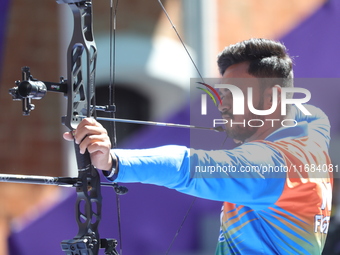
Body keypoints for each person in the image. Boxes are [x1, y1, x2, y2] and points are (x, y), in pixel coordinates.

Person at [64, 38, 333, 254]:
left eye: (234, 94)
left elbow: (186, 166)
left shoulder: (271, 166)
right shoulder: (312, 133)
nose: (222, 105)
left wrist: (113, 162)